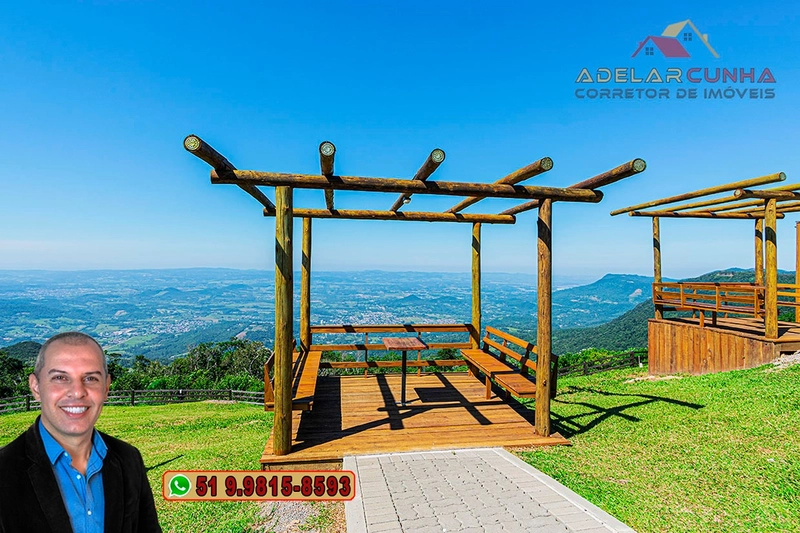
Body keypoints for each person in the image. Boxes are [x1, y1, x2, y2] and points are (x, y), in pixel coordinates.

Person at [0, 332, 161, 533]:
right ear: (36, 386)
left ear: (106, 387)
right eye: (60, 377)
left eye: (91, 378)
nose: (77, 392)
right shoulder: (4, 471)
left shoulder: (129, 459)